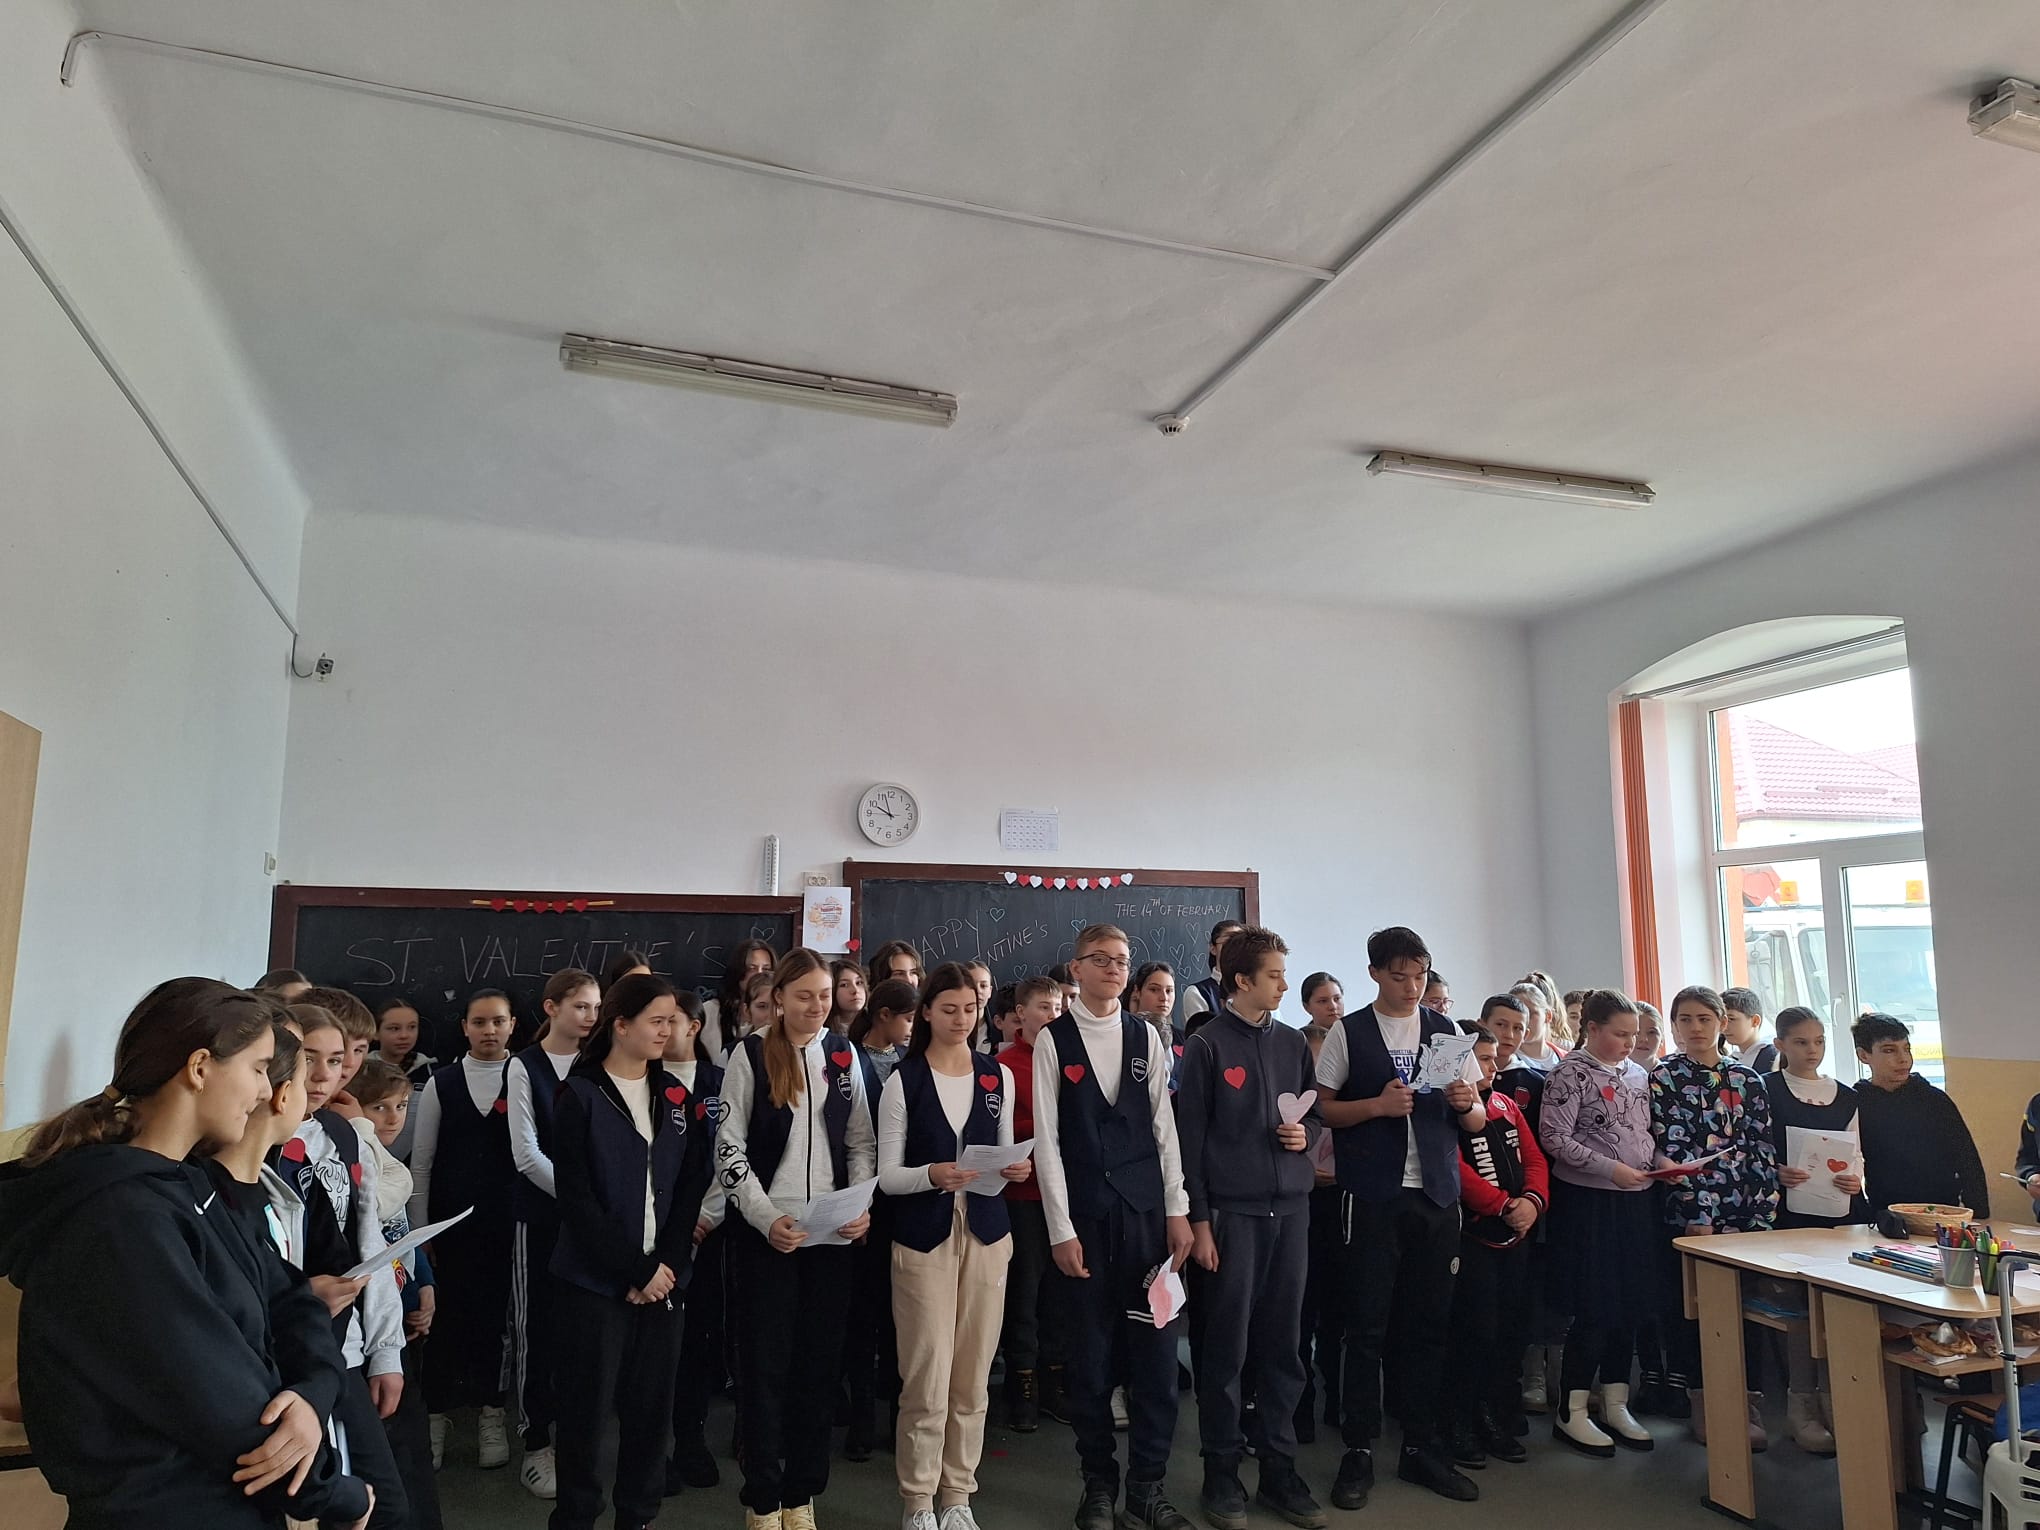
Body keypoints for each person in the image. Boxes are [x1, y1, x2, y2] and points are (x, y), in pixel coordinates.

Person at [0, 980, 372, 1530]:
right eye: (258, 1068)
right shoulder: (122, 1219)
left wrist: (311, 1396)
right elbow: (218, 1403)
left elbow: (291, 1300)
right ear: (200, 1068)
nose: (263, 1091)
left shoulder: (193, 1185)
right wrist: (338, 1496)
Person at [1314, 927, 1485, 1506]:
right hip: (1373, 1196)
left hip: (1435, 1196)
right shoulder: (1350, 1031)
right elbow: (1325, 1110)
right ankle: (1358, 1449)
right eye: (1399, 976)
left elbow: (1478, 1118)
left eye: (1420, 975)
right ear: (1374, 974)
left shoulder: (1446, 1031)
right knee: (1366, 1326)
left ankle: (1419, 1445)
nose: (1412, 987)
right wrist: (1377, 1107)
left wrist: (1468, 1103)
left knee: (1428, 1325)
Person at [1033, 924, 1194, 1530]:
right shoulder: (1053, 1040)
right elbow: (1047, 1141)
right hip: (1085, 1221)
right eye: (1099, 959)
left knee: (1155, 1360)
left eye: (1122, 960)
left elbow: (1163, 1129)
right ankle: (1098, 1483)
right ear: (1076, 969)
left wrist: (1177, 1209)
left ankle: (1148, 1487)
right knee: (1091, 1361)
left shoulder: (1145, 1036)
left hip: (1147, 1220)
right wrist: (1059, 1228)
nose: (1113, 968)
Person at [716, 949, 878, 1530]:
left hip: (830, 1239)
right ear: (779, 997)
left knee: (817, 1371)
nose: (816, 1006)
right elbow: (728, 1148)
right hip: (769, 1238)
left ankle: (801, 1495)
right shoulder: (749, 1053)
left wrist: (859, 1204)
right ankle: (762, 1497)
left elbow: (861, 1141)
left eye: (824, 995)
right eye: (804, 995)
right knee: (764, 1372)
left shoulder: (843, 1053)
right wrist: (765, 1218)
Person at [549, 973, 713, 1530]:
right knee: (586, 1414)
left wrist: (666, 1266)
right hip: (596, 1283)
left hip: (663, 1280)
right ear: (620, 1025)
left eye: (674, 1021)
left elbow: (691, 1185)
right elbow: (577, 1199)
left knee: (651, 1412)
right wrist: (636, 1269)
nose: (669, 1031)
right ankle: (576, 1517)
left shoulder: (675, 1096)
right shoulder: (580, 1094)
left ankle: (638, 1516)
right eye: (657, 1021)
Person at [1176, 927, 1327, 1530]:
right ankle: (1221, 1472)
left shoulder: (1292, 1043)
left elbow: (1313, 1113)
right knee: (1226, 1350)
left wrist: (1303, 1136)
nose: (1285, 985)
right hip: (1232, 1218)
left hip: (1290, 1213)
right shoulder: (1206, 1046)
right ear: (1242, 980)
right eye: (1275, 976)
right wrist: (1200, 1221)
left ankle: (1279, 1471)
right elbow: (1189, 1142)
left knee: (1284, 1349)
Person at [879, 964, 1028, 1530]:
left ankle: (958, 1494)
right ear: (926, 1013)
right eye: (948, 1009)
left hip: (987, 1234)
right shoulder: (905, 1080)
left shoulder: (996, 1076)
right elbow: (888, 1175)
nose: (961, 1019)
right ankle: (918, 1499)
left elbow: (1006, 1154)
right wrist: (931, 1175)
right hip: (924, 1241)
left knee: (972, 1375)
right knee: (926, 1374)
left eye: (970, 1009)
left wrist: (1014, 1169)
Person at [279, 1003, 411, 1526]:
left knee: (386, 1505)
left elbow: (368, 1241)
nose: (322, 1076)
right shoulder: (260, 1142)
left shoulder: (342, 1133)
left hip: (347, 1345)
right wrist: (300, 1298)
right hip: (289, 1345)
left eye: (335, 1061)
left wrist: (386, 1350)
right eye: (307, 1059)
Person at [1651, 985, 1779, 1449]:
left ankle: (1747, 1402)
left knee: (1747, 1312)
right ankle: (1703, 1402)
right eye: (1685, 1019)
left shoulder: (1748, 1079)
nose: (1695, 1028)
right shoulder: (1664, 1077)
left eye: (1704, 1018)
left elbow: (1762, 1148)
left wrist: (1763, 1216)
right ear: (1674, 1026)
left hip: (1743, 1213)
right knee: (1696, 1312)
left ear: (1722, 1023)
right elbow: (1671, 1147)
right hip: (1691, 1216)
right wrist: (1696, 1210)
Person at [1540, 989, 1658, 1457]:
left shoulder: (1637, 1074)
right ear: (1591, 1029)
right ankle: (1572, 1408)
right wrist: (1611, 1169)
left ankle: (1616, 1400)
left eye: (1635, 1034)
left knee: (1629, 1304)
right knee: (1596, 1305)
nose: (1630, 1043)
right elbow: (1554, 1137)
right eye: (1620, 1034)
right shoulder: (1569, 1072)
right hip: (1590, 1202)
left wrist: (1662, 1164)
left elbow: (1641, 1133)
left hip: (1636, 1200)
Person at [409, 987, 519, 1470]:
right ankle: (435, 1417)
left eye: (498, 1021)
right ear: (465, 1028)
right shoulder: (443, 1083)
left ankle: (491, 1413)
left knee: (496, 1324)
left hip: (507, 1225)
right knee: (445, 1323)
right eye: (479, 1022)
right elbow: (423, 1163)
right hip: (448, 1229)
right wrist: (422, 1235)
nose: (489, 1030)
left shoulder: (524, 1077)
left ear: (512, 1025)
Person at [505, 969, 603, 1499]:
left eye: (596, 1008)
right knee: (536, 1329)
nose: (590, 1017)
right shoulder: (526, 1065)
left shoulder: (599, 1062)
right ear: (551, 1008)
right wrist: (580, 1202)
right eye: (580, 1006)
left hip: (594, 1224)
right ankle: (536, 1439)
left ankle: (577, 1439)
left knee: (583, 1333)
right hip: (543, 1220)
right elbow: (527, 1154)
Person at [348, 1057, 447, 1530]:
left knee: (413, 1440)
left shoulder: (391, 1166)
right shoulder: (359, 1168)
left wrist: (425, 1285)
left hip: (406, 1323)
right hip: (373, 1335)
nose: (392, 1118)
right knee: (391, 1446)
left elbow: (404, 1238)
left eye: (402, 1106)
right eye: (379, 1108)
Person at [1760, 1005, 1863, 1453]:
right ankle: (1800, 1403)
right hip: (1789, 1218)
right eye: (1801, 1042)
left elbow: (1856, 1153)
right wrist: (1775, 1172)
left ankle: (1836, 1399)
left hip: (1838, 1217)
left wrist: (1854, 1178)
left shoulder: (1846, 1096)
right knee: (1799, 1312)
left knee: (1838, 1309)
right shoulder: (1766, 1089)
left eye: (1818, 1041)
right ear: (1780, 1045)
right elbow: (1752, 1147)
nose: (1812, 1050)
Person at [1446, 1026, 1547, 1470]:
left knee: (1510, 1330)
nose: (1491, 1067)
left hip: (1517, 1235)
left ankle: (1496, 1413)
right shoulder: (1446, 1111)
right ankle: (1460, 1419)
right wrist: (1502, 1205)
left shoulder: (1505, 1104)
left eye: (1492, 1058)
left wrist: (1532, 1202)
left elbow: (1535, 1158)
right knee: (1475, 1332)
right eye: (1482, 1059)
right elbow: (1456, 1170)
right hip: (1475, 1238)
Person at [842, 974, 918, 1460]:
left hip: (902, 1199)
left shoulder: (912, 1062)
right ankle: (860, 1422)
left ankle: (897, 1420)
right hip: (860, 1200)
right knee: (862, 1315)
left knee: (898, 1318)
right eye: (907, 1018)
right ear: (883, 1016)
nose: (912, 1027)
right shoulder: (848, 1057)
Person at [665, 990, 728, 1494]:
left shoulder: (718, 1082)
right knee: (656, 1348)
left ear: (694, 1025)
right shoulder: (641, 1079)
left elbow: (731, 1156)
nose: (663, 1030)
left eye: (673, 1020)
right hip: (656, 1235)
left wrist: (704, 1218)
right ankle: (655, 1449)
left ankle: (691, 1439)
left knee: (699, 1341)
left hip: (710, 1232)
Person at [997, 974, 1066, 1432]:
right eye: (1044, 1007)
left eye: (1058, 1008)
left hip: (1063, 1198)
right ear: (1021, 1014)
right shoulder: (1005, 1065)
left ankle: (1053, 1381)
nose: (1053, 1016)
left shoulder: (1068, 1058)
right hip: (1022, 1197)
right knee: (1024, 1292)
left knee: (1059, 1295)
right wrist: (1037, 1136)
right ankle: (1022, 1384)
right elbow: (998, 1128)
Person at [1852, 1012, 1988, 1217]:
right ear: (1864, 1056)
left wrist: (1979, 1213)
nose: (1903, 1059)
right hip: (1886, 1213)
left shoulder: (1934, 1100)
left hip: (1941, 1212)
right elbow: (1848, 1163)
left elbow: (1967, 1158)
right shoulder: (1856, 1103)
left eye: (1906, 1049)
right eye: (1889, 1050)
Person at [1294, 974, 1345, 1443]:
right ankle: (1301, 1402)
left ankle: (1338, 1399)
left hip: (1341, 1208)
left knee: (1337, 1311)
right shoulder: (1289, 1104)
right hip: (1300, 1208)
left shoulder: (1345, 1099)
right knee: (1299, 1312)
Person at [371, 996, 434, 1159]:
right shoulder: (362, 1070)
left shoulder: (429, 1071)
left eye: (412, 1027)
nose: (404, 1035)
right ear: (376, 1032)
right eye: (394, 1028)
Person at [703, 941, 778, 1060]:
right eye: (751, 968)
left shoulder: (780, 1015)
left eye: (766, 969)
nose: (759, 974)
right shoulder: (710, 1011)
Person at [1180, 920, 1247, 1036]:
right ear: (1213, 948)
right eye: (1228, 940)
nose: (1234, 947)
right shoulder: (1198, 993)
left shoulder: (1255, 988)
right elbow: (1204, 1038)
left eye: (1240, 942)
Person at [1720, 987, 1779, 1073]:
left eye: (1731, 1019)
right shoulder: (1730, 1059)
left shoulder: (1774, 1057)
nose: (1724, 1026)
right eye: (1722, 1020)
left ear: (1755, 1021)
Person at [829, 957, 869, 1038]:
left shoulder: (876, 1024)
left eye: (859, 982)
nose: (855, 990)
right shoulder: (822, 1031)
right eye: (844, 985)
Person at [1630, 1002, 1664, 1070]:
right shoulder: (1611, 1074)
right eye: (1637, 1032)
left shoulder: (1674, 1073)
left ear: (1661, 1039)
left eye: (1651, 1032)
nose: (1644, 1039)